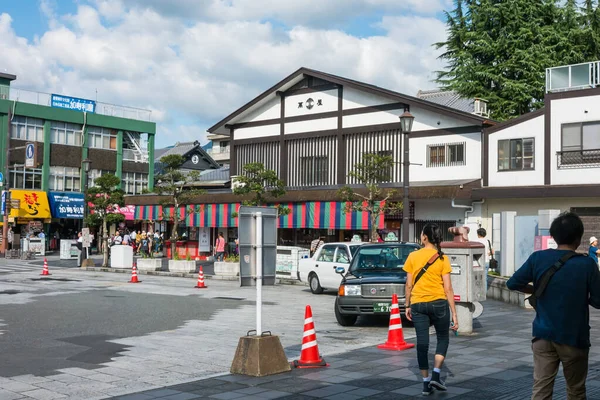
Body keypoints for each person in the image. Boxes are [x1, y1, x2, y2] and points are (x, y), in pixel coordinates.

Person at [507, 212, 600, 399]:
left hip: (543, 336)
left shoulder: (537, 258)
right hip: (574, 338)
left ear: (554, 236)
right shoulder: (587, 264)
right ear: (578, 237)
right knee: (576, 390)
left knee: (541, 389)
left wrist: (534, 290)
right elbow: (598, 301)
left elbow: (512, 283)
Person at [403, 223, 459, 396]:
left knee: (422, 343)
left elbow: (408, 284)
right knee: (442, 337)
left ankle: (426, 384)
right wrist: (454, 313)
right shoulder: (442, 258)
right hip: (439, 303)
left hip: (418, 304)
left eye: (421, 234)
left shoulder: (413, 256)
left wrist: (407, 305)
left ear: (424, 237)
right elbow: (448, 288)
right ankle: (436, 374)